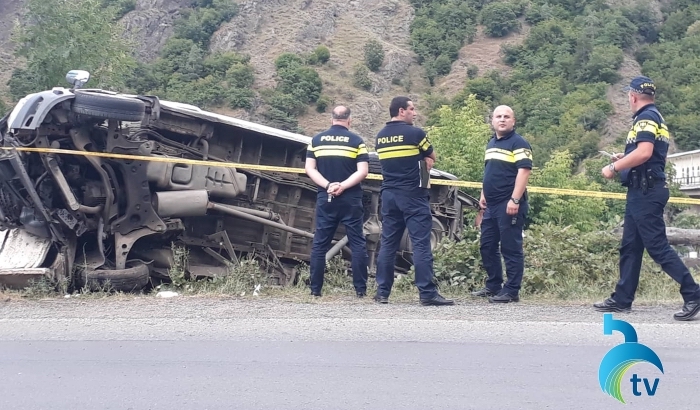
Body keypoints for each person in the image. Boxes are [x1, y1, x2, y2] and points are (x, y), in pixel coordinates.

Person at [594, 75, 700, 321]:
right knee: (630, 246)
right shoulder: (656, 118)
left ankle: (693, 294)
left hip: (646, 192)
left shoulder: (645, 118)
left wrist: (615, 166)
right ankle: (622, 298)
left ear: (632, 96)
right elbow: (655, 156)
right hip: (644, 189)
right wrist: (626, 155)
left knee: (658, 247)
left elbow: (644, 152)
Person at [373, 96, 453, 306]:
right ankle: (427, 293)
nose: (415, 113)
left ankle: (382, 293)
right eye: (412, 109)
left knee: (388, 244)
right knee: (420, 244)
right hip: (413, 196)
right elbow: (432, 156)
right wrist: (424, 162)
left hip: (389, 196)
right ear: (401, 111)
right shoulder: (416, 133)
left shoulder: (380, 137)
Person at [305, 106, 370, 298]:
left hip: (326, 197)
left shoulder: (316, 141)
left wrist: (329, 186)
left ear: (331, 118)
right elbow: (363, 171)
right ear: (349, 120)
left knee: (319, 244)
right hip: (351, 198)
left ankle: (315, 290)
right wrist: (342, 186)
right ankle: (360, 290)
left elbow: (310, 169)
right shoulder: (357, 141)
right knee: (357, 243)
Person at [471, 105, 532, 303]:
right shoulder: (491, 143)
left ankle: (511, 291)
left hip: (509, 204)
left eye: (507, 117)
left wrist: (514, 199)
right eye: (498, 116)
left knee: (510, 248)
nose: (502, 119)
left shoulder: (519, 143)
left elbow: (524, 172)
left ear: (513, 121)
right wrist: (483, 194)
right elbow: (489, 172)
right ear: (493, 121)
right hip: (491, 205)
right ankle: (493, 285)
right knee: (487, 246)